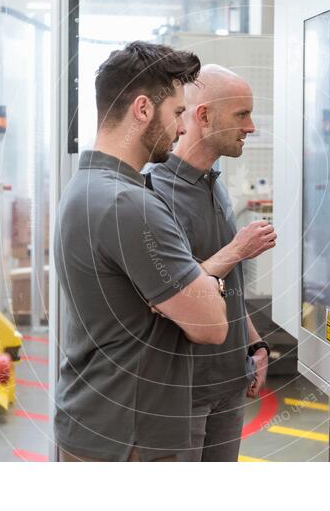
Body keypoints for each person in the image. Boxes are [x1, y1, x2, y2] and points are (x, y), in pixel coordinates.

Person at [53, 42, 228, 462]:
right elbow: (212, 326)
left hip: (96, 425)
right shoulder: (128, 205)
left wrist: (187, 289)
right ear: (143, 109)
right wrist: (209, 282)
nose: (183, 128)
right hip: (130, 439)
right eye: (177, 113)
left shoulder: (86, 187)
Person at [149, 64, 277, 462]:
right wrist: (236, 250)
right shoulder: (153, 194)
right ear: (203, 116)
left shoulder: (215, 185)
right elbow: (166, 296)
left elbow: (228, 284)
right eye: (242, 114)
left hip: (228, 383)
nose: (252, 126)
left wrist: (254, 344)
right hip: (183, 394)